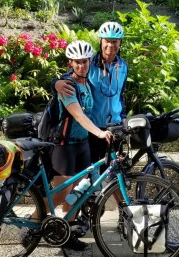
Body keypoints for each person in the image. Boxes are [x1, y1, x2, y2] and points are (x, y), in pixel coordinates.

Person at [50, 40, 113, 250]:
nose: (81, 66)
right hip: (64, 146)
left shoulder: (88, 83)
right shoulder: (67, 85)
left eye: (84, 62)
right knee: (60, 193)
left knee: (78, 193)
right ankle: (33, 226)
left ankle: (65, 233)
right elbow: (77, 115)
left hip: (82, 145)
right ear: (70, 63)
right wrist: (99, 132)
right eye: (77, 62)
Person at [53, 21, 128, 164]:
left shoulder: (123, 66)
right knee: (93, 174)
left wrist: (123, 119)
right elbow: (71, 77)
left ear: (120, 42)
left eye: (115, 41)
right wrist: (55, 84)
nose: (110, 46)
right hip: (94, 127)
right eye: (107, 41)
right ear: (100, 41)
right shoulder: (89, 63)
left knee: (114, 174)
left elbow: (121, 95)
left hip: (115, 127)